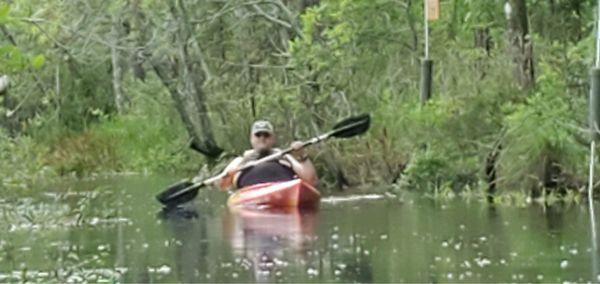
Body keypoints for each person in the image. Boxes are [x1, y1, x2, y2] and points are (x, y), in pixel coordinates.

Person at [217, 120, 318, 190]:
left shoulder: (285, 156)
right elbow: (221, 185)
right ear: (251, 139)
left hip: (285, 189)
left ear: (273, 138)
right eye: (258, 135)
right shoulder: (240, 160)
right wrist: (227, 176)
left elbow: (310, 181)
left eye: (266, 135)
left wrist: (302, 155)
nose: (262, 138)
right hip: (249, 193)